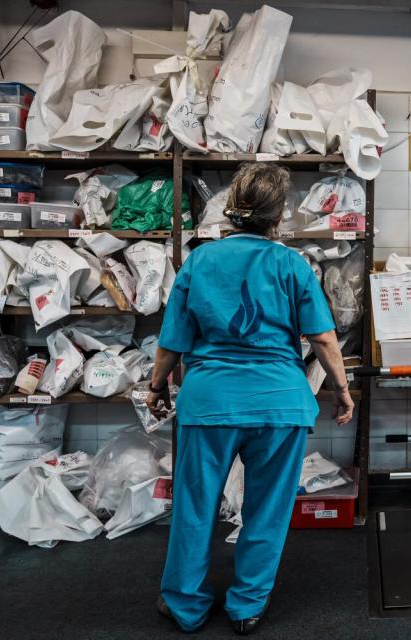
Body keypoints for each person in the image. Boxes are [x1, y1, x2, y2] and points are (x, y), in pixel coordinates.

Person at [147, 163, 354, 635]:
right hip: (279, 405)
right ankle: (246, 606)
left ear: (233, 210)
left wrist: (156, 387)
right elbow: (322, 339)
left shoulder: (198, 262)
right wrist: (341, 391)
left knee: (195, 506)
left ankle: (186, 605)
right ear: (277, 217)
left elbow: (171, 342)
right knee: (267, 509)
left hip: (210, 403)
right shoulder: (292, 266)